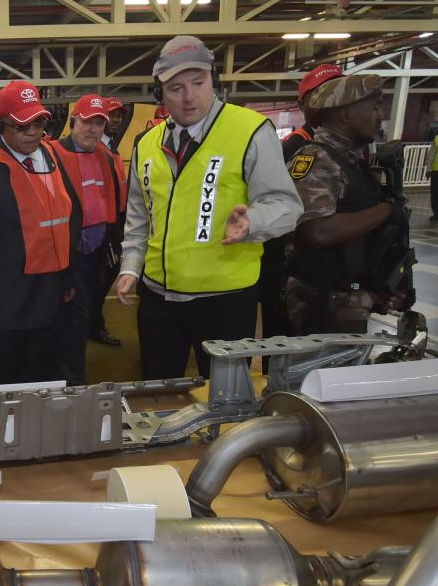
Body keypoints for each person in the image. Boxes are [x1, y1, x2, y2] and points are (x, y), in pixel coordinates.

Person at [115, 36, 302, 380]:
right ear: (160, 93)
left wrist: (253, 222)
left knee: (225, 396)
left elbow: (286, 205)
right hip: (159, 299)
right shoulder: (147, 144)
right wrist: (131, 266)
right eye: (175, 88)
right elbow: (141, 218)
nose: (189, 97)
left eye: (198, 83)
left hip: (225, 302)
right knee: (159, 390)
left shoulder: (249, 131)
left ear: (212, 80)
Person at [0, 81, 80, 385]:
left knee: (48, 383)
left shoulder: (51, 158)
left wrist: (68, 277)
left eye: (39, 123)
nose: (33, 133)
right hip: (7, 308)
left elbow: (67, 217)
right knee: (7, 389)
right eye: (23, 127)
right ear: (1, 126)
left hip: (51, 299)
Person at [284, 74, 414, 335]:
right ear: (345, 114)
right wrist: (386, 211)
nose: (380, 115)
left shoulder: (351, 161)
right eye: (374, 107)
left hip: (349, 295)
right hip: (321, 301)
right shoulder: (316, 159)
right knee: (320, 375)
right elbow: (318, 232)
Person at [264, 63, 341, 357]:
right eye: (320, 93)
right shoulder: (295, 147)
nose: (330, 99)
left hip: (331, 274)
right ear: (302, 103)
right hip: (292, 270)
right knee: (284, 346)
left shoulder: (347, 147)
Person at [49, 95, 123, 384]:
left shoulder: (105, 156)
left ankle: (71, 375)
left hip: (97, 254)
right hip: (68, 254)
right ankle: (71, 381)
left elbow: (112, 203)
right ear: (72, 122)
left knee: (83, 317)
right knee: (73, 320)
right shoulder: (51, 153)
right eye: (86, 122)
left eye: (98, 123)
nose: (92, 129)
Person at [90, 96, 131, 347]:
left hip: (118, 222)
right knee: (102, 277)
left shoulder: (112, 149)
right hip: (105, 226)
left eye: (118, 115)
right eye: (110, 115)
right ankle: (94, 325)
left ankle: (93, 322)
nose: (115, 120)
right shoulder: (98, 150)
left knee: (108, 274)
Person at [280, 63, 343, 161]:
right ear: (302, 105)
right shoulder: (294, 146)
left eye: (339, 92)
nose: (332, 100)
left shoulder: (350, 140)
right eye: (322, 93)